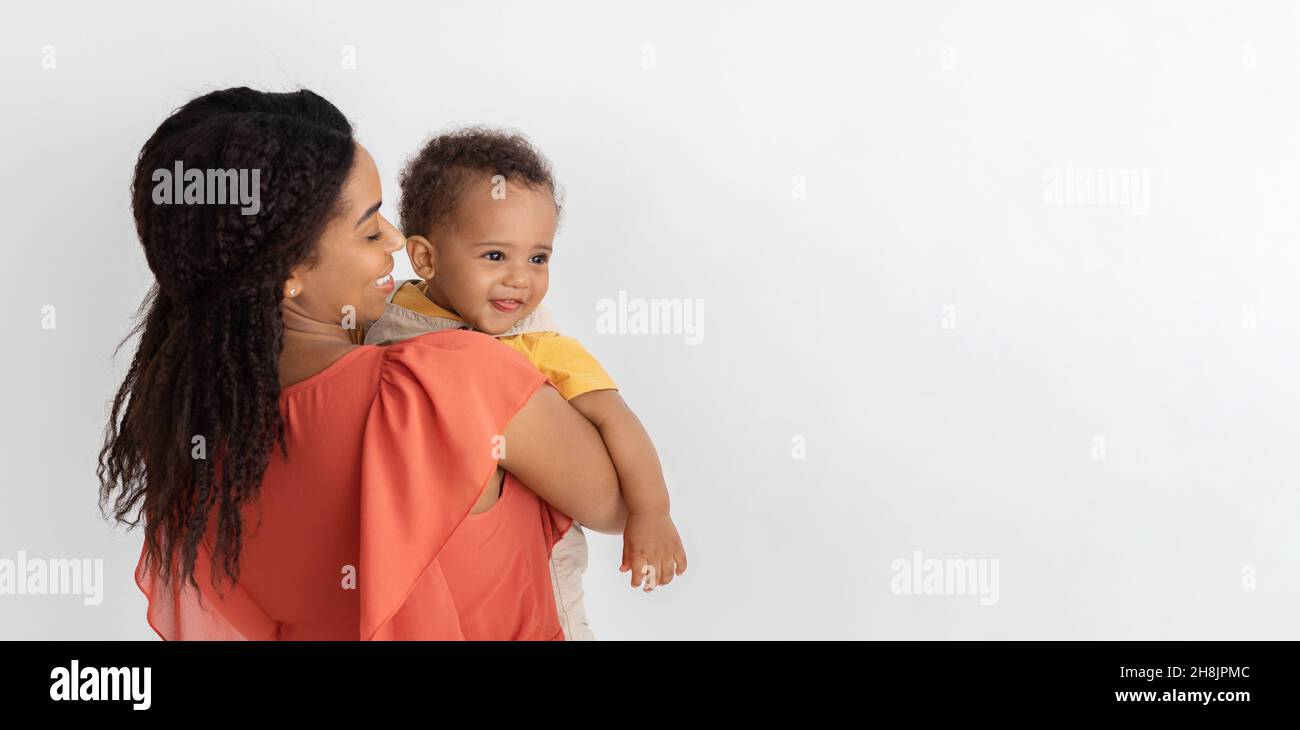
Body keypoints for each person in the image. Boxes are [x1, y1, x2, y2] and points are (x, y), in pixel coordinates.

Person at [97, 87, 625, 640]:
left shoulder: (199, 439)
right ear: (290, 272)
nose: (397, 240)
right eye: (371, 229)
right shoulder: (444, 380)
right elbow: (613, 503)